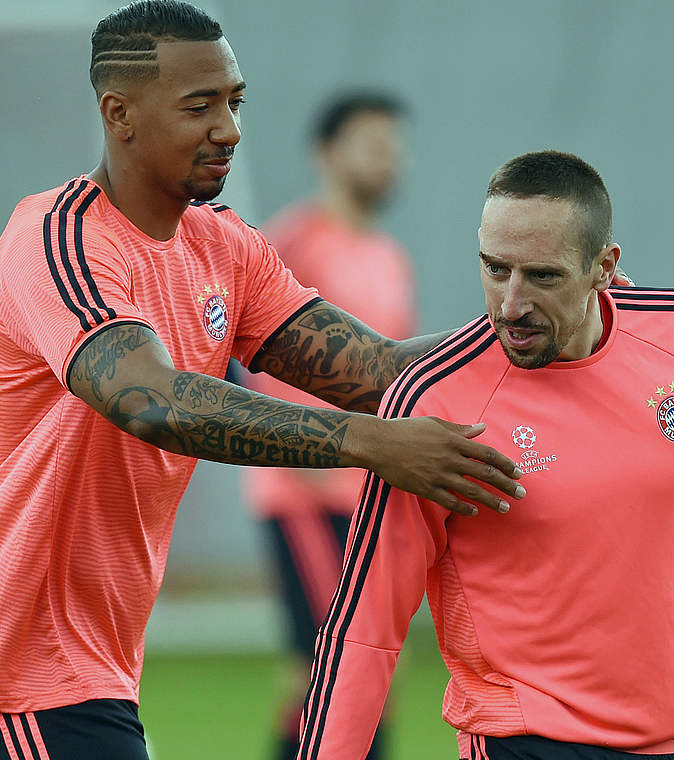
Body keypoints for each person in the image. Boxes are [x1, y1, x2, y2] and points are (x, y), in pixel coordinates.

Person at [0, 3, 524, 758]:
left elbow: (380, 370)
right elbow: (150, 401)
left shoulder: (225, 248)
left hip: (86, 672)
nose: (228, 128)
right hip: (7, 670)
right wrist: (373, 444)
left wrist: (534, 320)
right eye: (200, 106)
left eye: (234, 102)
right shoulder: (56, 238)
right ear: (119, 114)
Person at [297, 151, 674, 760]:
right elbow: (365, 624)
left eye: (543, 276)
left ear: (604, 266)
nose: (511, 303)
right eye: (495, 269)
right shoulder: (437, 398)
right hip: (521, 742)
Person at [245, 90, 416, 760]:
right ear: (326, 153)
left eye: (395, 147)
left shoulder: (389, 258)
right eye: (373, 144)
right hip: (308, 497)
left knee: (352, 674)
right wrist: (298, 467)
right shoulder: (293, 243)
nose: (389, 160)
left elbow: (394, 383)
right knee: (339, 671)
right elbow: (247, 357)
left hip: (372, 495)